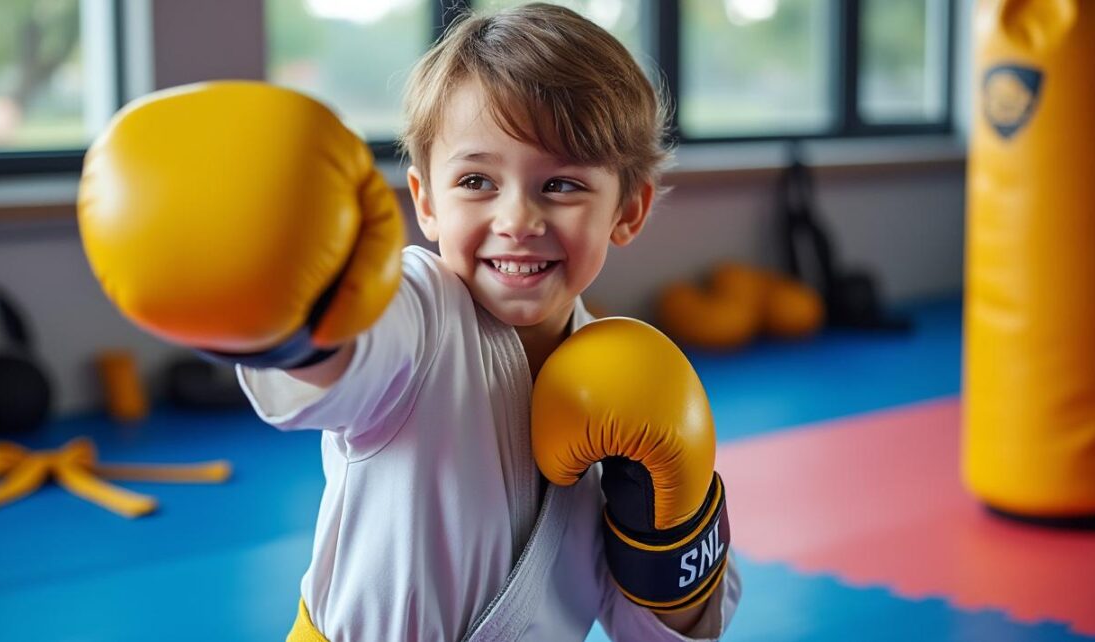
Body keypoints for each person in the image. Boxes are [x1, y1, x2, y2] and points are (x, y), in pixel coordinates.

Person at [78, 3, 739, 641]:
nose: (517, 220)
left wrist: (663, 529)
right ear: (425, 202)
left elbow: (657, 632)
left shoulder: (629, 379)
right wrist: (280, 308)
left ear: (628, 209)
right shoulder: (421, 309)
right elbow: (349, 356)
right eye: (477, 181)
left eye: (561, 185)